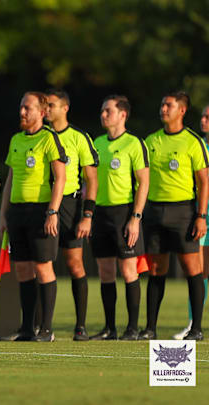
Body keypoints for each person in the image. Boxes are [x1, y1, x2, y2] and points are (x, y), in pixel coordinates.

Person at [0, 91, 67, 342]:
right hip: (18, 212)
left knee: (43, 267)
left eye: (28, 108)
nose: (22, 112)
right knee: (23, 270)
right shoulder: (16, 139)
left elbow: (61, 177)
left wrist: (52, 211)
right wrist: (4, 214)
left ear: (42, 112)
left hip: (41, 211)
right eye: (21, 107)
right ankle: (27, 328)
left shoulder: (49, 139)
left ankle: (46, 329)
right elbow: (11, 178)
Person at [141, 91, 208, 341]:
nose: (163, 109)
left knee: (192, 269)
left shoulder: (193, 142)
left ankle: (197, 328)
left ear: (181, 110)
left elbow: (204, 183)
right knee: (156, 270)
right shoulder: (151, 141)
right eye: (162, 104)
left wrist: (201, 216)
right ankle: (150, 328)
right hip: (155, 212)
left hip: (183, 212)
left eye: (168, 105)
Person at [89, 95, 148, 341]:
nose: (103, 115)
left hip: (124, 213)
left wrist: (135, 217)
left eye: (108, 111)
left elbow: (144, 182)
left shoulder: (134, 144)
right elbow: (88, 182)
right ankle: (109, 328)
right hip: (100, 214)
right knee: (105, 271)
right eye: (102, 111)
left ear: (122, 115)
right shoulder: (97, 143)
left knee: (128, 269)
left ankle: (132, 328)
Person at [45, 89, 99, 341]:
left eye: (52, 105)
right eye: (44, 105)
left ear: (65, 108)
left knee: (74, 264)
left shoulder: (78, 137)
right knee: (41, 264)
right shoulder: (39, 136)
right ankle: (41, 325)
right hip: (42, 204)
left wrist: (87, 215)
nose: (47, 109)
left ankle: (80, 326)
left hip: (70, 206)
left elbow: (92, 179)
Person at [174, 103, 209, 339]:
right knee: (199, 272)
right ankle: (193, 323)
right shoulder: (197, 144)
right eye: (204, 116)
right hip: (202, 215)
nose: (204, 120)